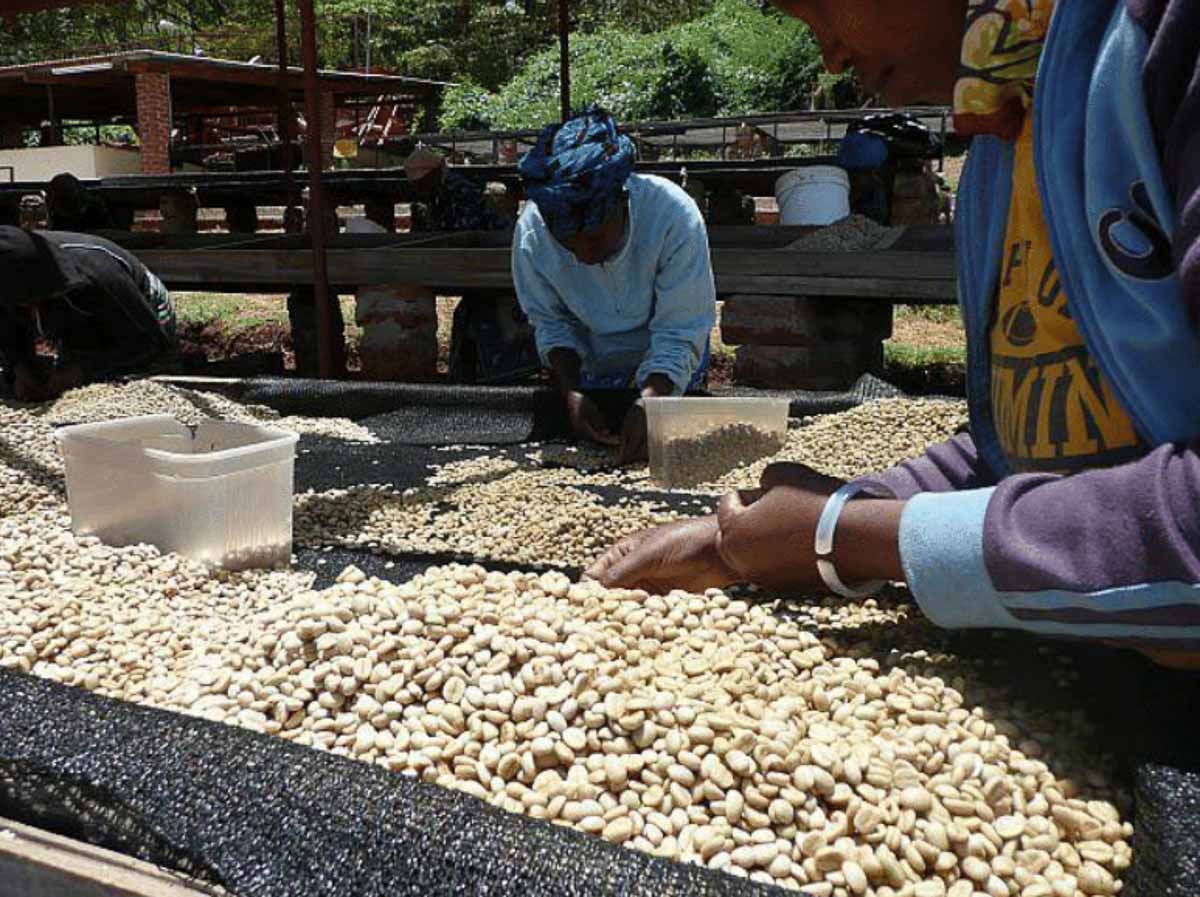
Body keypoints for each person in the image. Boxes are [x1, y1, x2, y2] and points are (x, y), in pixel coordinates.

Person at [587, 0, 1200, 668]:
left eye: (822, 10)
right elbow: (1032, 453)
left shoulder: (1168, 37)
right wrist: (742, 537)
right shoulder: (1004, 132)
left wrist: (848, 533)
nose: (831, 56)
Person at [512, 107, 717, 462]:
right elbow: (551, 322)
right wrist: (571, 392)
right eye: (568, 244)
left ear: (621, 201)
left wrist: (654, 401)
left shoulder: (672, 216)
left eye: (593, 239)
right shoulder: (532, 235)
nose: (583, 256)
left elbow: (681, 327)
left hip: (668, 356)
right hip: (592, 364)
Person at [0, 226, 176, 401]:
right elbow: (9, 325)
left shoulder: (99, 272)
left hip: (141, 309)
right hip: (76, 312)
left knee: (133, 379)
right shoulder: (9, 271)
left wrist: (80, 371)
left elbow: (151, 340)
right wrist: (20, 365)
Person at [405, 147, 512, 233]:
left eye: (421, 183)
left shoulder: (460, 190)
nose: (419, 189)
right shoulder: (434, 193)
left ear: (434, 174)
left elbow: (464, 232)